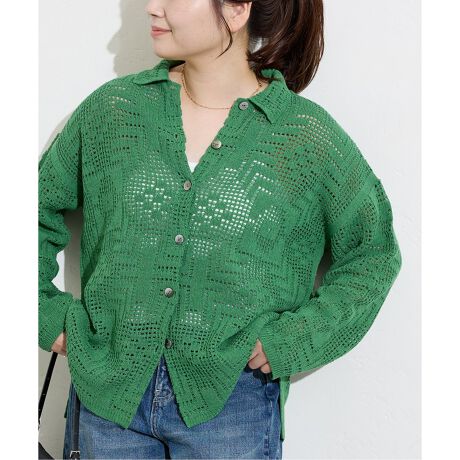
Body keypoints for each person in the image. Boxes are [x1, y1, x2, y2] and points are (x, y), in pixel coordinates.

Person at [39, 0, 402, 458]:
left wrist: (294, 340)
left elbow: (373, 254)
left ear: (237, 9)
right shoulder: (114, 112)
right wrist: (44, 315)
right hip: (108, 396)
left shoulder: (303, 137)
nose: (153, 7)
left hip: (233, 405)